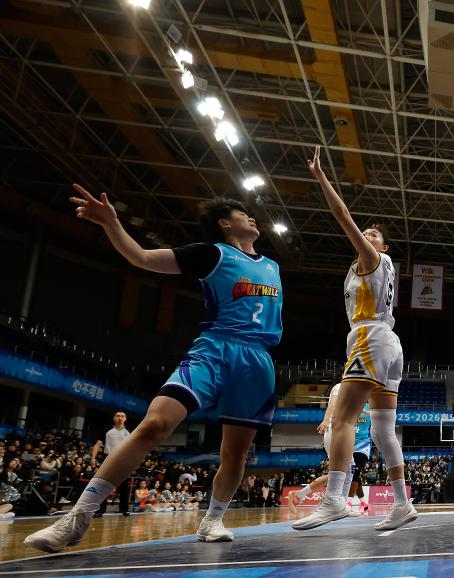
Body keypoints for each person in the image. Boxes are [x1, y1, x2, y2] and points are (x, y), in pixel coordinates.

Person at [25, 187, 282, 553]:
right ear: (225, 224)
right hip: (215, 348)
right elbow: (142, 257)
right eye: (242, 214)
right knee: (155, 424)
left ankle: (213, 518)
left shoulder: (272, 266)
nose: (251, 218)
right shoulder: (211, 254)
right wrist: (112, 224)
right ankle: (77, 517)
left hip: (258, 359)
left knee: (235, 454)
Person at [292, 147, 414, 532]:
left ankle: (334, 500)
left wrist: (320, 177)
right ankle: (402, 504)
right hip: (388, 342)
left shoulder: (372, 260)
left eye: (374, 234)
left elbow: (342, 215)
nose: (367, 234)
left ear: (383, 246)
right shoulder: (370, 267)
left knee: (342, 419)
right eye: (368, 232)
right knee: (381, 430)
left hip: (370, 337)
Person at [288, 385, 372, 516]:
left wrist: (370, 413)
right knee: (346, 471)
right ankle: (341, 506)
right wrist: (326, 421)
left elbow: (355, 407)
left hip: (338, 431)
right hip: (335, 430)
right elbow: (333, 403)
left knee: (341, 472)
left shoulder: (351, 390)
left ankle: (300, 495)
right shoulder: (341, 386)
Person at [90, 411, 133, 518]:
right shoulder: (107, 430)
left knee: (124, 487)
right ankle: (100, 510)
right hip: (108, 458)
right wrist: (93, 457)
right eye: (118, 416)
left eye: (122, 416)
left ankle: (124, 509)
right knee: (103, 485)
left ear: (125, 418)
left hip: (124, 459)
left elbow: (134, 447)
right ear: (114, 418)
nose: (120, 418)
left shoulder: (130, 431)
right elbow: (98, 444)